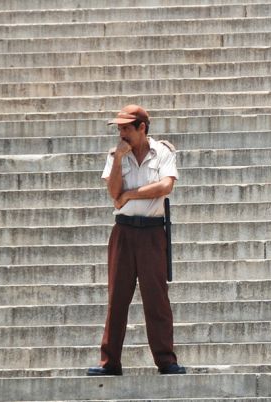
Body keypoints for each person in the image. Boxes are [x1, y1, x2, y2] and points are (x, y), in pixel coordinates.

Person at [87, 104, 185, 376]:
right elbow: (114, 191)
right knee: (117, 298)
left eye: (126, 128)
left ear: (142, 128)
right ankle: (110, 363)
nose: (121, 133)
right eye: (119, 128)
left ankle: (166, 361)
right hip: (124, 232)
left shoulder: (162, 151)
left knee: (157, 299)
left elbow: (166, 186)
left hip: (153, 231)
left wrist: (131, 195)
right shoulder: (116, 154)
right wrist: (119, 160)